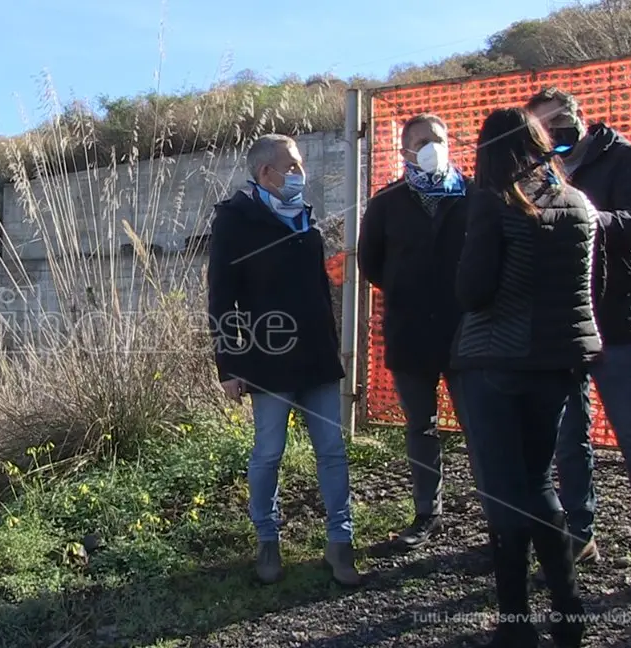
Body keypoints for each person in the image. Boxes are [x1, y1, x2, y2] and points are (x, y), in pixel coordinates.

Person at [452, 107, 602, 648]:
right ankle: (569, 613)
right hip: (559, 361)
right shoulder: (580, 203)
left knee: (504, 492)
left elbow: (472, 292)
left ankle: (515, 624)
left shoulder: (496, 203)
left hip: (496, 360)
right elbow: (588, 287)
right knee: (540, 484)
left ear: (489, 151)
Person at [527, 87, 631, 598]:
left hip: (613, 321)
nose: (554, 133)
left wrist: (580, 217)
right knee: (569, 436)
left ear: (578, 115)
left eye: (559, 121)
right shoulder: (540, 169)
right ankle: (579, 533)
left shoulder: (626, 157)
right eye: (542, 128)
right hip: (562, 324)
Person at [206, 133, 359, 587]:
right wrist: (229, 366)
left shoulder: (305, 219)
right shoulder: (235, 220)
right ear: (265, 173)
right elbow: (221, 298)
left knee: (332, 450)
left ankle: (340, 541)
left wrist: (331, 344)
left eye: (300, 165)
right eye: (291, 166)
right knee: (268, 452)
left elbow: (317, 289)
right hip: (268, 359)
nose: (299, 174)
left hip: (316, 357)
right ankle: (267, 539)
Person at [358, 113, 475, 550]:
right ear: (404, 150)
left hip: (468, 335)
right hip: (409, 335)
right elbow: (370, 263)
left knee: (478, 426)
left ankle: (500, 521)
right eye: (423, 140)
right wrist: (410, 291)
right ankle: (427, 513)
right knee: (421, 428)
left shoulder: (473, 196)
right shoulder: (387, 203)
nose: (433, 147)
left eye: (440, 139)